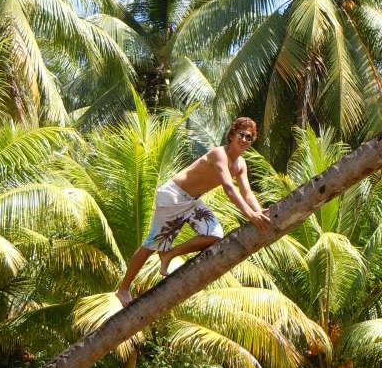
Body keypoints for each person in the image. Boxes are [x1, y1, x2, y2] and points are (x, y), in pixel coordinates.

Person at [114, 117, 270, 305]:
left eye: (249, 137)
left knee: (214, 234)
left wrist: (259, 211)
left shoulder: (240, 164)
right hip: (173, 197)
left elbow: (246, 192)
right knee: (151, 244)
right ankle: (122, 289)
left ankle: (169, 255)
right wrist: (250, 215)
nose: (245, 140)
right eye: (242, 135)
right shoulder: (219, 154)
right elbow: (229, 188)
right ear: (232, 135)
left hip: (192, 202)